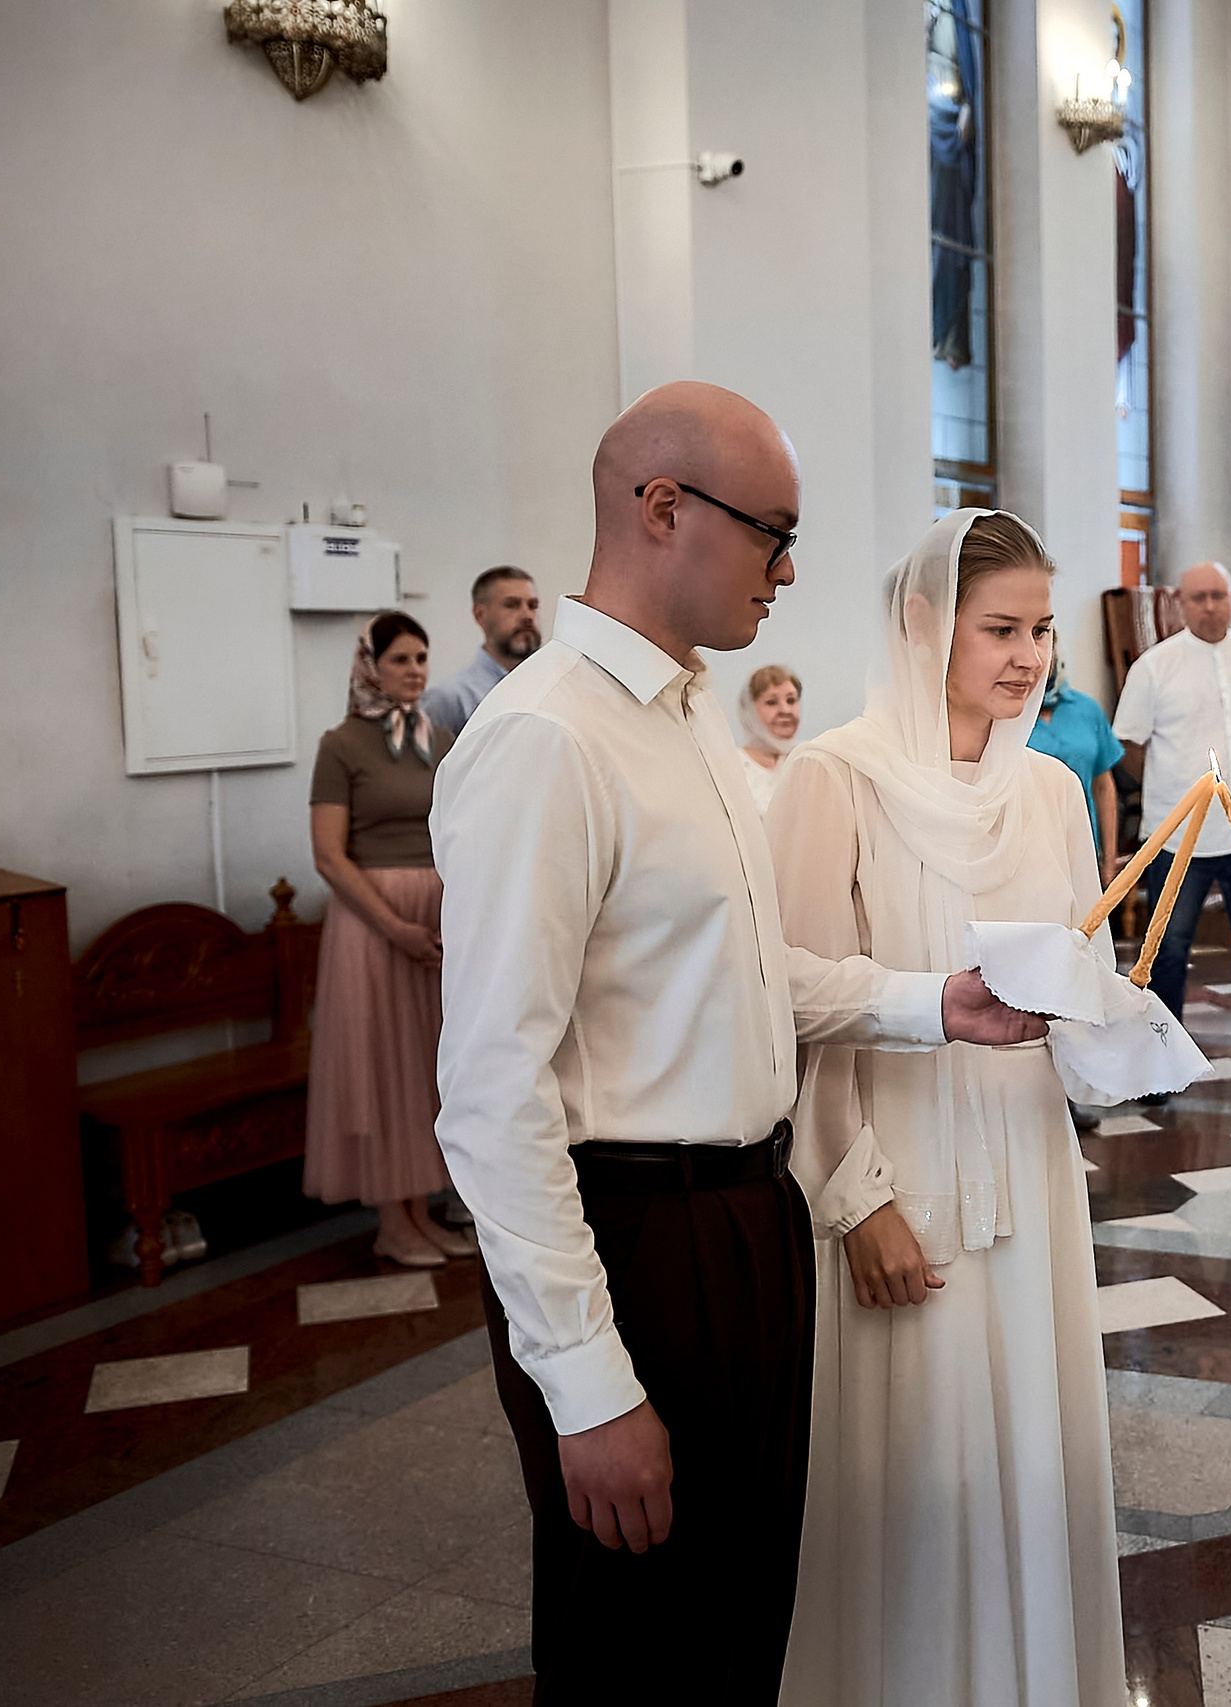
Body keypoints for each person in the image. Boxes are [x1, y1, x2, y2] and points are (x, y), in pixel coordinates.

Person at [430, 382, 1045, 1703]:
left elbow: (750, 972)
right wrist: (587, 1385)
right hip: (641, 1235)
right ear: (661, 509)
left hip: (748, 1221)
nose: (787, 568)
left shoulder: (684, 715)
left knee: (735, 1622)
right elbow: (492, 1097)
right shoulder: (547, 736)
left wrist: (932, 1001)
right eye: (770, 530)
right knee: (637, 1646)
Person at [770, 509, 1126, 1707]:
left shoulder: (1051, 791)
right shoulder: (837, 777)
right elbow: (793, 993)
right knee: (916, 1468)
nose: (1028, 655)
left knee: (1031, 1451)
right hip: (896, 1172)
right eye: (999, 628)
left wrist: (1122, 1033)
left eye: (1040, 629)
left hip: (1027, 1161)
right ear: (925, 625)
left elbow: (1076, 985)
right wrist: (852, 1194)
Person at [304, 611, 475, 1269]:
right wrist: (395, 926)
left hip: (436, 917)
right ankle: (391, 1219)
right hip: (373, 922)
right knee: (383, 1065)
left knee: (429, 1064)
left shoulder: (443, 736)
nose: (414, 671)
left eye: (422, 658)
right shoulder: (340, 744)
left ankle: (423, 1210)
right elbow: (327, 855)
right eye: (400, 659)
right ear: (370, 665)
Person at [1111, 561, 1231, 1094]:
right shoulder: (1155, 667)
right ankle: (1158, 1069)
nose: (1209, 606)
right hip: (1178, 840)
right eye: (1198, 597)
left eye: (1218, 595)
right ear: (1179, 601)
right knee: (1165, 954)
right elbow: (1129, 748)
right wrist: (1176, 796)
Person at [1026, 632, 1124, 886]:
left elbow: (1104, 788)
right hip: (1026, 856)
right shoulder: (1004, 715)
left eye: (1046, 643)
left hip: (1083, 849)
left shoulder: (1086, 709)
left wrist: (1108, 861)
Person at [424, 565, 542, 734]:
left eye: (532, 605)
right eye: (512, 605)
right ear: (480, 614)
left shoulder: (551, 688)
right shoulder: (450, 699)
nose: (527, 616)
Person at [739, 663, 803, 816]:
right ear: (750, 710)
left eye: (791, 700)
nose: (785, 710)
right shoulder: (734, 767)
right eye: (771, 702)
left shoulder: (807, 758)